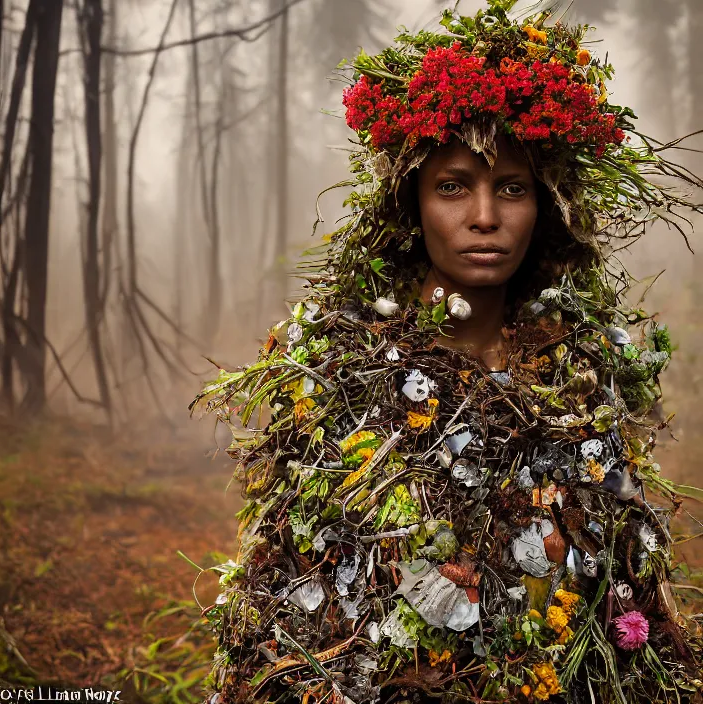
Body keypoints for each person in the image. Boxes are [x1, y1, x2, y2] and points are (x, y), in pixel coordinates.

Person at [192, 2, 703, 702]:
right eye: (454, 186)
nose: (485, 216)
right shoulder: (342, 372)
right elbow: (292, 603)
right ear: (412, 204)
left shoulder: (585, 374)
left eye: (512, 188)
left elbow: (623, 591)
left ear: (544, 208)